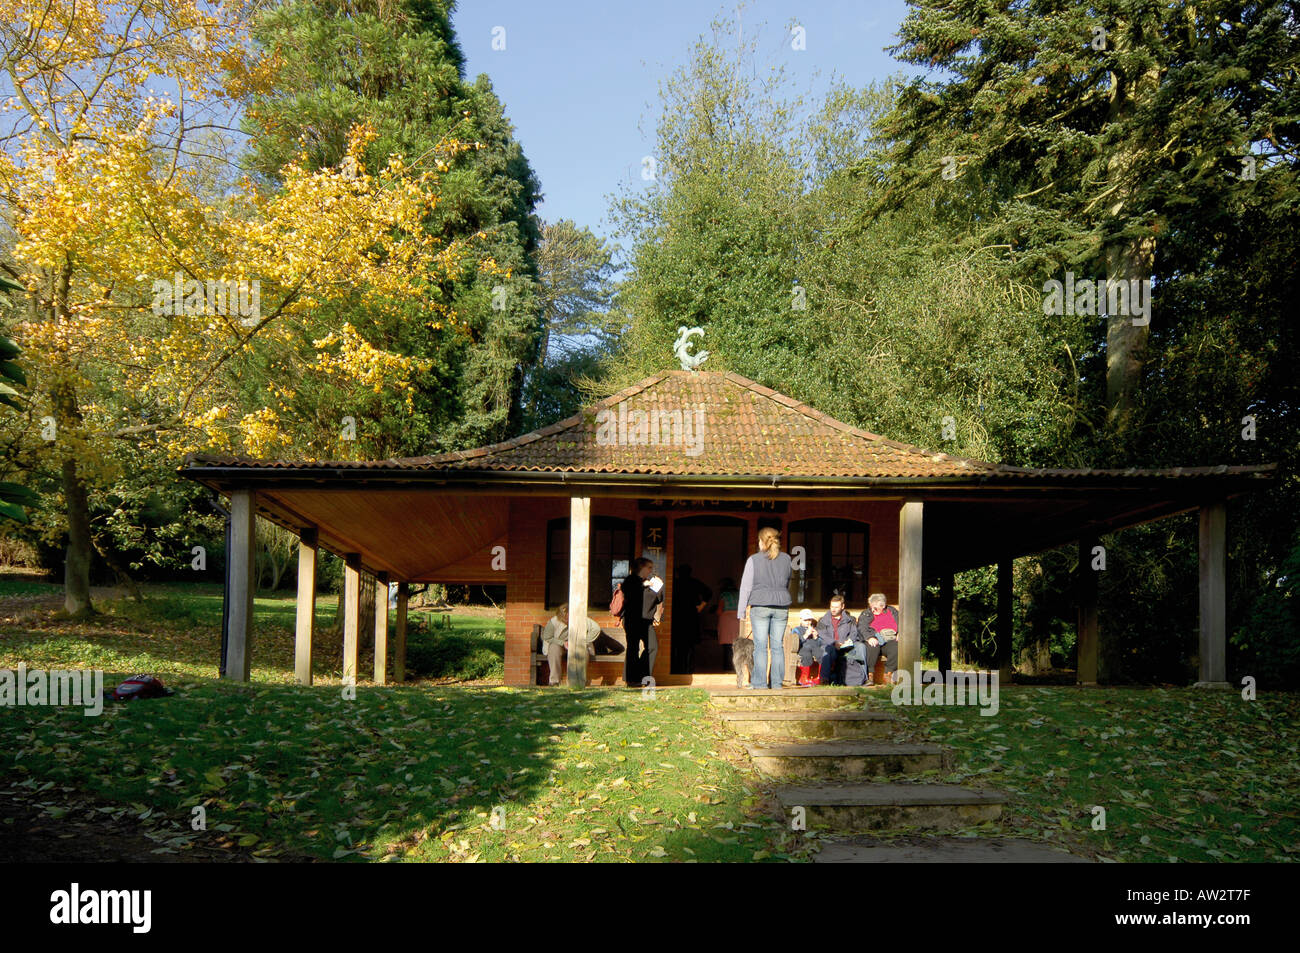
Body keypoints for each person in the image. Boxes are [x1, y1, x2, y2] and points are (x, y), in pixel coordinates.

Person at [737, 526, 793, 689]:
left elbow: (746, 587)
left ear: (761, 541)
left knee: (760, 646)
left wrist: (741, 610)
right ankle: (776, 684)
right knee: (777, 646)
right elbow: (788, 582)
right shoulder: (787, 559)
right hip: (782, 605)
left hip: (760, 605)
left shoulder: (754, 559)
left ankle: (759, 683)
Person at [540, 603, 599, 686]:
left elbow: (596, 628)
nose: (568, 618)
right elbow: (547, 637)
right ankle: (554, 681)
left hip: (577, 645)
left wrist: (582, 641)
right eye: (565, 616)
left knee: (583, 650)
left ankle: (579, 681)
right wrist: (562, 643)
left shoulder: (580, 619)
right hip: (559, 644)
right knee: (553, 648)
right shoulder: (553, 622)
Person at [815, 593, 867, 686]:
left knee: (861, 646)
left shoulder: (850, 620)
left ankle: (864, 678)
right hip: (831, 646)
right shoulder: (823, 620)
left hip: (846, 646)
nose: (833, 609)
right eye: (832, 607)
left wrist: (849, 641)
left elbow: (854, 633)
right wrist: (834, 643)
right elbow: (822, 634)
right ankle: (824, 680)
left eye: (836, 607)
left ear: (843, 606)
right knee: (826, 650)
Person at [620, 558, 656, 687]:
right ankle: (632, 679)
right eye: (649, 567)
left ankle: (641, 675)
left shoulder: (646, 582)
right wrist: (643, 585)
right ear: (641, 567)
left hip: (645, 620)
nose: (651, 570)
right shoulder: (632, 580)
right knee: (633, 648)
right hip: (632, 619)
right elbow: (628, 591)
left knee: (652, 647)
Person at [671, 564, 712, 674]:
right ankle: (688, 670)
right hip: (690, 615)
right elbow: (708, 593)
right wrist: (701, 606)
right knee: (689, 646)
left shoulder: (675, 583)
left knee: (677, 645)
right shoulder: (695, 582)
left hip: (677, 616)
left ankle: (678, 670)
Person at [862, 593, 901, 685]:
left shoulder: (892, 611)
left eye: (875, 608)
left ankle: (888, 674)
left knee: (897, 647)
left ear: (883, 606)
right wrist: (869, 637)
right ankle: (870, 675)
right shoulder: (866, 613)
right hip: (874, 638)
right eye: (871, 607)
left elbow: (902, 622)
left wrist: (901, 632)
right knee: (872, 646)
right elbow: (862, 627)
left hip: (889, 639)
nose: (872, 610)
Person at [716, 577, 740, 671]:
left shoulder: (724, 595)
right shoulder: (739, 594)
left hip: (726, 621)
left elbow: (719, 611)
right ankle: (736, 669)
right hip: (738, 620)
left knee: (727, 647)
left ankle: (727, 669)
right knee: (737, 645)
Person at [793, 608, 821, 685]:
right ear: (801, 620)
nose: (808, 622)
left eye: (809, 620)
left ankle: (819, 677)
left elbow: (819, 644)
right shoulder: (797, 630)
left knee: (821, 653)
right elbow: (795, 643)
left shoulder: (814, 629)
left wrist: (816, 637)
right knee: (806, 651)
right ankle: (804, 678)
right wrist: (805, 635)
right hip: (802, 649)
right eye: (805, 620)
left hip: (813, 649)